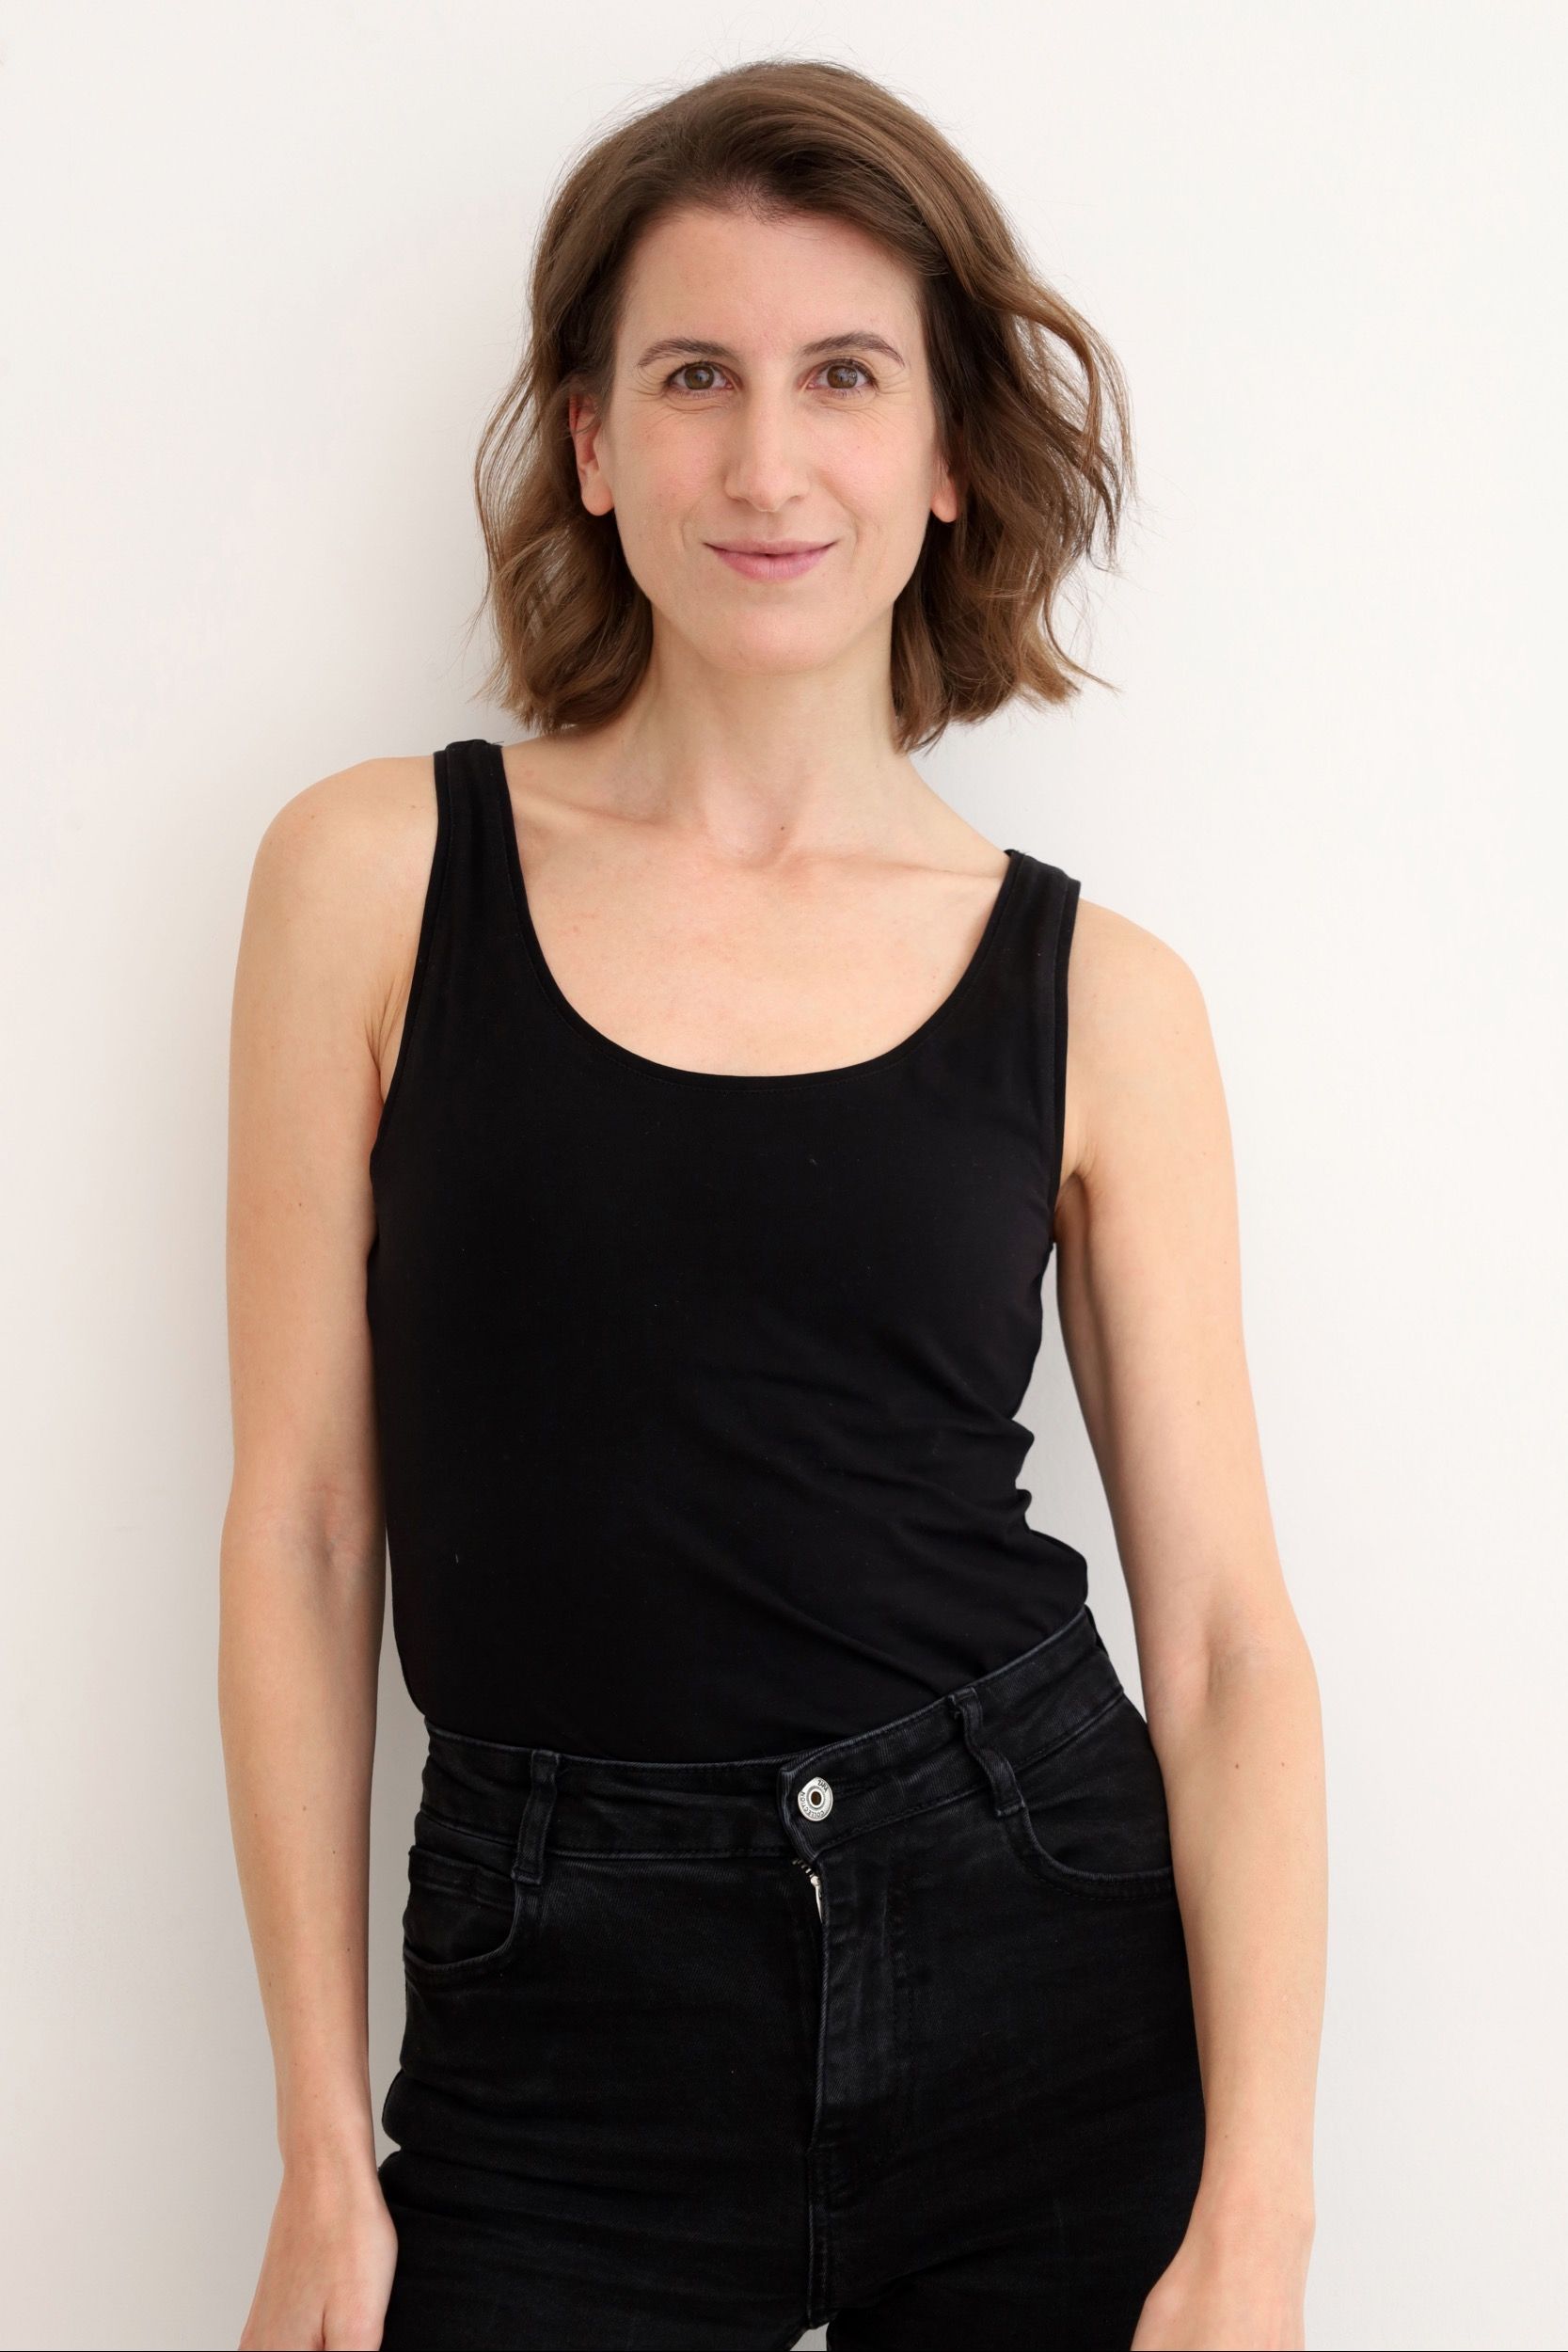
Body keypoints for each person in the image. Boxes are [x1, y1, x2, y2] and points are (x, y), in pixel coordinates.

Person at [221, 56, 1325, 2352]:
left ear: (946, 453)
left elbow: (1224, 1636)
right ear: (592, 441)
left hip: (1036, 1951)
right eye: (694, 377)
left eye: (843, 376)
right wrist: (322, 2144)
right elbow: (309, 1525)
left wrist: (1258, 2218)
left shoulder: (1102, 995)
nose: (764, 462)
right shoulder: (376, 880)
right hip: (553, 2007)